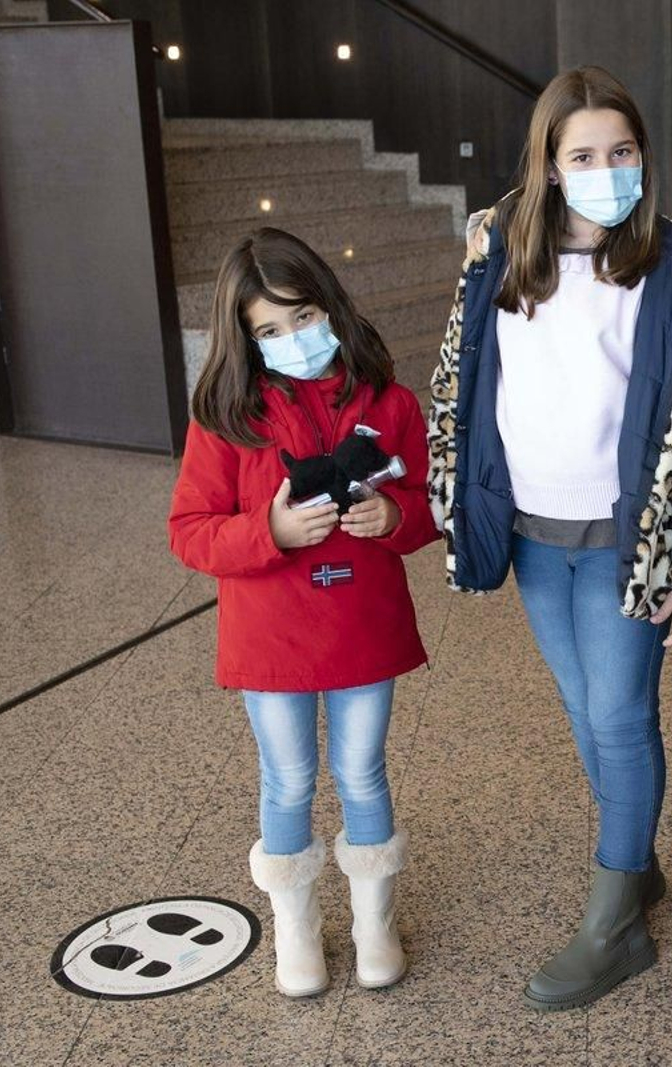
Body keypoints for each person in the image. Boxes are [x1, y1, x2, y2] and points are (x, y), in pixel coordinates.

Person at [429, 66, 672, 1010]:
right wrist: (454, 497)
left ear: (643, 158)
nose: (607, 170)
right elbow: (459, 379)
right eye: (583, 155)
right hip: (531, 534)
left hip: (625, 542)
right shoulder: (498, 257)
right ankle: (632, 860)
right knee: (581, 709)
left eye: (623, 152)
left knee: (618, 716)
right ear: (550, 166)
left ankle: (614, 925)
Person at [168, 227, 440, 997]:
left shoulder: (388, 403)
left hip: (363, 627)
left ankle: (373, 921)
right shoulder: (227, 417)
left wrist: (395, 520)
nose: (293, 338)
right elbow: (189, 530)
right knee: (286, 778)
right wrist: (271, 532)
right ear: (245, 341)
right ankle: (296, 926)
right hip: (272, 636)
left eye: (304, 315)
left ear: (332, 307)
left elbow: (426, 501)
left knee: (361, 768)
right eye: (269, 330)